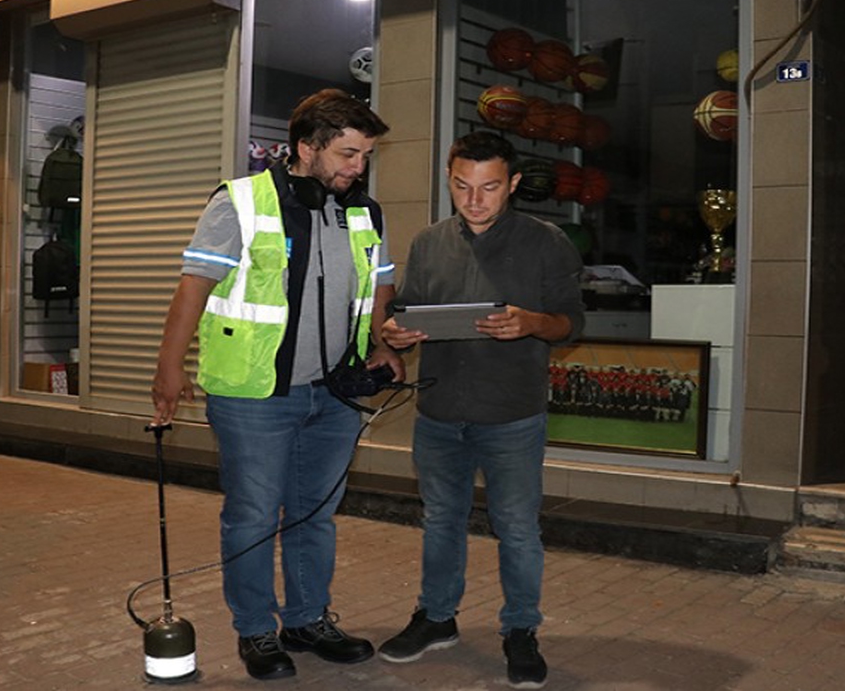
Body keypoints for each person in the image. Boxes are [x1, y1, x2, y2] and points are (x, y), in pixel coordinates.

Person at [151, 89, 401, 681]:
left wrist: (384, 344)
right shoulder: (240, 202)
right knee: (255, 517)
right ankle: (256, 630)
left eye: (365, 156)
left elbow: (381, 284)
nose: (358, 167)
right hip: (255, 396)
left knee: (315, 513)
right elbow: (194, 287)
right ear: (306, 148)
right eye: (347, 154)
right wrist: (168, 369)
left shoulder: (364, 211)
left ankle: (307, 620)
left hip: (335, 394)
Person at [378, 131, 585, 689]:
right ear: (449, 180)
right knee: (440, 521)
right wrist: (396, 332)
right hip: (439, 410)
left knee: (516, 527)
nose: (474, 200)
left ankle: (520, 630)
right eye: (461, 186)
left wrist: (533, 322)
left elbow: (571, 323)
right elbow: (405, 312)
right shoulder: (428, 242)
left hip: (512, 414)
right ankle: (436, 617)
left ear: (512, 184)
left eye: (489, 187)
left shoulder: (546, 242)